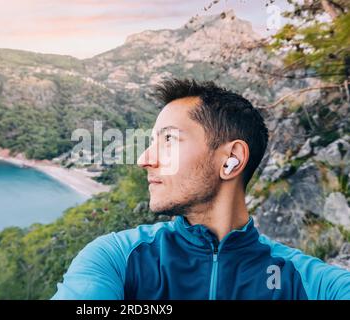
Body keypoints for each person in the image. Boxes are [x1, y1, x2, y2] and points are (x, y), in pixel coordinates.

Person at [52, 79, 350, 300]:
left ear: (231, 161)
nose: (144, 159)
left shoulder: (311, 283)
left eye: (168, 140)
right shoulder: (117, 259)